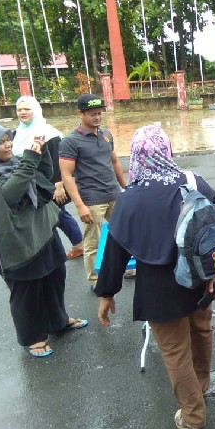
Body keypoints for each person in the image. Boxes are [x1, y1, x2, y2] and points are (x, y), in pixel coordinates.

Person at [96, 125, 215, 429]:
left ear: (137, 156)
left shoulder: (130, 198)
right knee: (201, 332)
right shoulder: (194, 181)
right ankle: (200, 389)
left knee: (175, 350)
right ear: (167, 150)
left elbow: (115, 251)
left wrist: (107, 293)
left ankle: (193, 416)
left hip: (158, 287)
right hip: (199, 278)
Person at [0, 122, 87, 358]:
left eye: (8, 139)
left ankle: (58, 321)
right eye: (1, 142)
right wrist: (29, 160)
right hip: (16, 241)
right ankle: (32, 337)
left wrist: (42, 154)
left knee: (54, 277)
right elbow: (10, 196)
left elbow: (42, 180)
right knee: (26, 290)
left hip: (42, 230)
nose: (8, 145)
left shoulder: (15, 163)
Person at [58, 94, 133, 287]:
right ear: (80, 114)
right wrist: (80, 206)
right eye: (92, 114)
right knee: (93, 242)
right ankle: (95, 279)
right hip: (92, 200)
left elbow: (114, 162)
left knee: (124, 233)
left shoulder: (106, 134)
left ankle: (128, 266)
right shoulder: (70, 141)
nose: (97, 117)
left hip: (114, 194)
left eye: (99, 113)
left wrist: (125, 187)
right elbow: (67, 175)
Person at [13, 96, 84, 260]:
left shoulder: (49, 134)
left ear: (36, 111)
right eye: (19, 109)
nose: (23, 112)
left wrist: (58, 186)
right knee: (46, 216)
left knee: (58, 214)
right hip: (28, 184)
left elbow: (58, 161)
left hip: (48, 184)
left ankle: (79, 244)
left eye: (27, 109)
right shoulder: (16, 134)